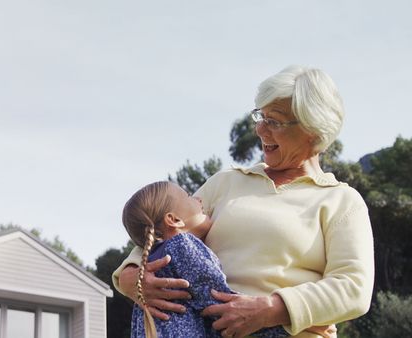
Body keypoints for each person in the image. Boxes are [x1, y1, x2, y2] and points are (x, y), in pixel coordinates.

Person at [113, 65, 374, 338]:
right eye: (260, 116)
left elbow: (353, 287)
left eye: (275, 121)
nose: (260, 129)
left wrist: (272, 309)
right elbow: (162, 232)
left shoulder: (341, 201)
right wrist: (133, 276)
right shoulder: (225, 183)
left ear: (312, 130)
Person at [122, 180, 288, 338]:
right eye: (189, 196)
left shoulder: (151, 266)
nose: (199, 199)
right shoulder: (182, 246)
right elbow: (219, 304)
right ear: (174, 220)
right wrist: (280, 325)